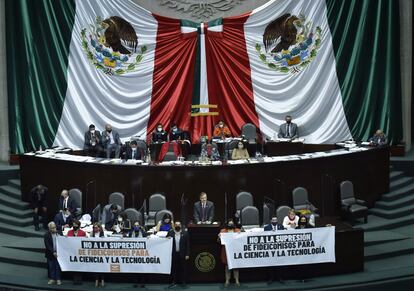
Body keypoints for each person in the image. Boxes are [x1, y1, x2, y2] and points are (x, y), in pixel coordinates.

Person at [218, 219, 240, 287]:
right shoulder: (223, 231)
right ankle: (227, 280)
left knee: (235, 266)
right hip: (226, 251)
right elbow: (219, 241)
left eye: (232, 224)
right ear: (227, 224)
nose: (230, 225)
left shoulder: (237, 231)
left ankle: (237, 280)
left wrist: (241, 234)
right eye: (229, 224)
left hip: (235, 250)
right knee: (227, 267)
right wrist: (219, 237)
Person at [167, 221, 190, 287]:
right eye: (176, 224)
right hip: (173, 254)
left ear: (181, 226)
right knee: (174, 269)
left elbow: (187, 244)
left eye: (179, 224)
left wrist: (187, 254)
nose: (177, 226)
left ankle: (183, 282)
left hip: (182, 254)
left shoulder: (185, 233)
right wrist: (167, 238)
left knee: (183, 269)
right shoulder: (170, 232)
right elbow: (165, 241)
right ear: (174, 225)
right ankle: (174, 281)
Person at [264, 216, 284, 284]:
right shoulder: (266, 228)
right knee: (271, 264)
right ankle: (271, 278)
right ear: (271, 221)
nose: (275, 221)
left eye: (276, 220)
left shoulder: (281, 227)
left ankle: (280, 278)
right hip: (270, 248)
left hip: (279, 248)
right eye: (273, 220)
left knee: (279, 264)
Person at [44, 221, 62, 286]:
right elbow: (47, 245)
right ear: (49, 229)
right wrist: (53, 252)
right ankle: (52, 279)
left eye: (54, 227)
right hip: (50, 253)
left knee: (58, 267)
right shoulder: (46, 235)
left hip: (58, 253)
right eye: (52, 228)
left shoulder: (59, 232)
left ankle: (58, 279)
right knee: (51, 267)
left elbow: (63, 241)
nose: (54, 229)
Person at [91, 223, 105, 287]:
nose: (95, 229)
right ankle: (96, 280)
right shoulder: (92, 234)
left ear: (99, 228)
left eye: (96, 227)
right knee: (96, 267)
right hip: (94, 253)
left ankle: (102, 279)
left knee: (102, 267)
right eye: (94, 227)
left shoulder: (103, 234)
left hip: (101, 253)